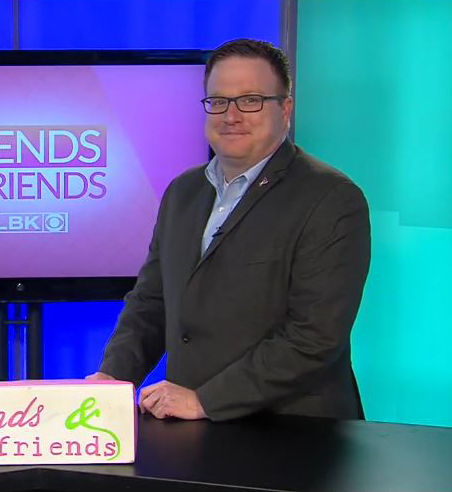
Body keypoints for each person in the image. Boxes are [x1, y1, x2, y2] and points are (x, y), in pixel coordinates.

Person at [88, 39, 371, 421]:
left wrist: (205, 400)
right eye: (218, 101)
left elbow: (314, 337)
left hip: (295, 434)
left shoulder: (332, 198)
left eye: (250, 100)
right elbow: (151, 302)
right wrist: (113, 377)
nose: (231, 115)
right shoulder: (183, 192)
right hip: (193, 430)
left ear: (285, 109)